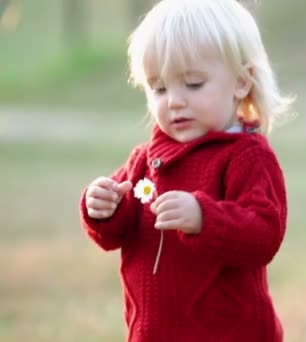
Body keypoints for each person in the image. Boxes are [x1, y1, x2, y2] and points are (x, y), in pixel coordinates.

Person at [79, 0, 293, 340]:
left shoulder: (247, 157)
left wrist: (204, 218)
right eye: (159, 88)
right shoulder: (144, 160)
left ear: (241, 82)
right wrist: (102, 207)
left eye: (192, 84)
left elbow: (264, 235)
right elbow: (114, 233)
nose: (174, 100)